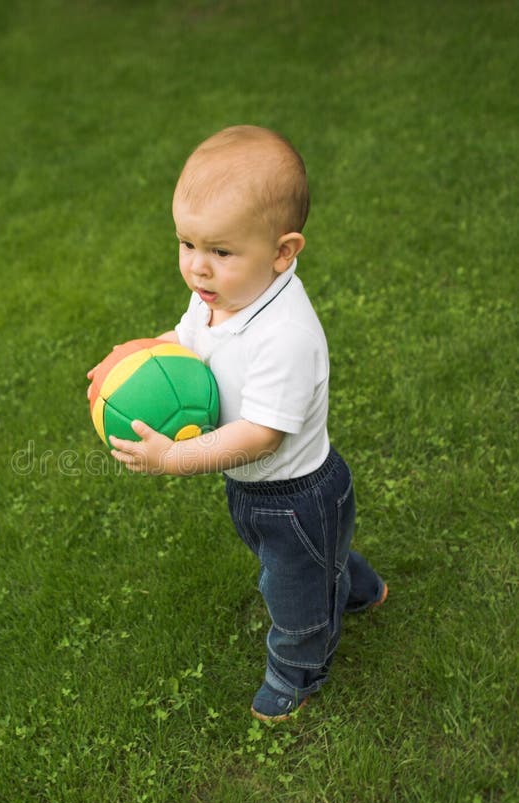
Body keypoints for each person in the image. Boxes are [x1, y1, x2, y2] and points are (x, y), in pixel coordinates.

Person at [87, 125, 387, 722]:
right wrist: (132, 359)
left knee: (293, 592)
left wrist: (174, 458)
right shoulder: (218, 297)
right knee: (312, 564)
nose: (198, 269)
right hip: (254, 489)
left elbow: (261, 435)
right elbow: (184, 342)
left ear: (282, 251)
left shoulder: (286, 335)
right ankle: (359, 588)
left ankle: (297, 670)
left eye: (221, 252)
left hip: (297, 496)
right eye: (186, 244)